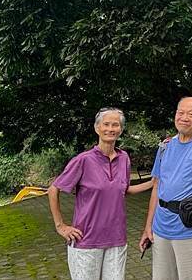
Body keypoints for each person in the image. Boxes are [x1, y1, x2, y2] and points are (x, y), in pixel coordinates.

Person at [48, 107, 153, 280]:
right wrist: (60, 226)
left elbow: (123, 189)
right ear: (97, 128)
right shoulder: (83, 160)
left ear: (120, 130)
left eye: (115, 125)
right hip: (86, 240)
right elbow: (54, 189)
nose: (110, 129)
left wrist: (153, 183)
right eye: (106, 124)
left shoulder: (124, 158)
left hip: (116, 239)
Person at [139, 97, 192, 280]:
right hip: (161, 230)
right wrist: (148, 226)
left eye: (191, 113)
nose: (184, 117)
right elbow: (157, 187)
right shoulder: (165, 146)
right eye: (180, 112)